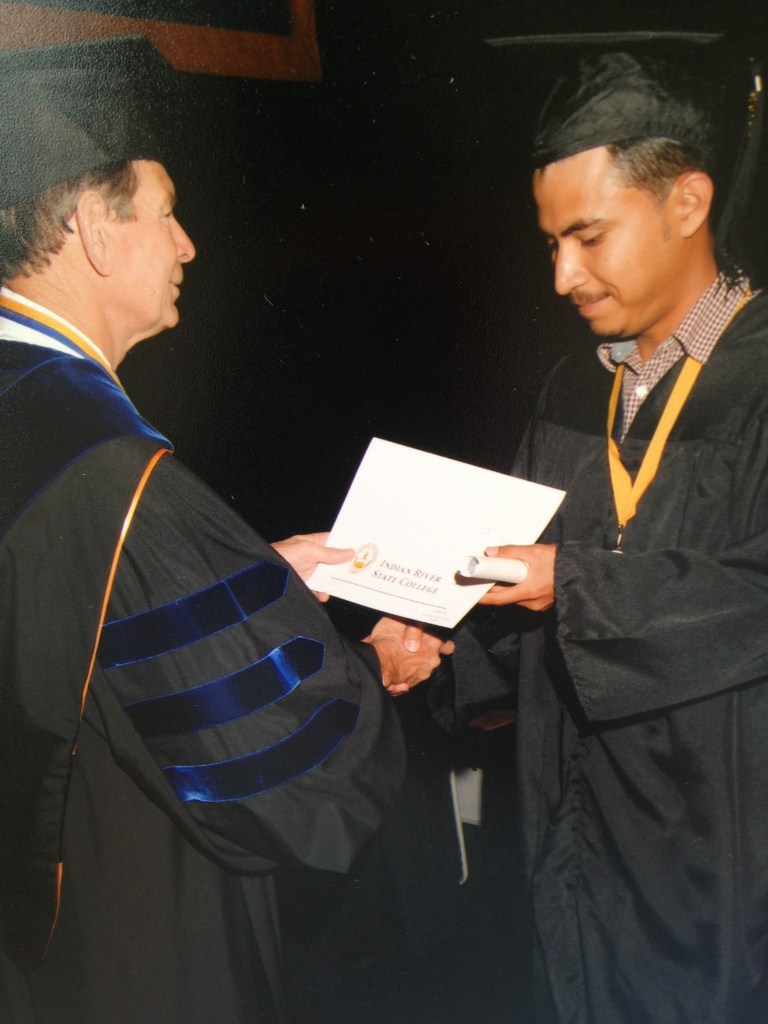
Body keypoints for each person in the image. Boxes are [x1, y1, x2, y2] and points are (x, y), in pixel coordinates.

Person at [0, 37, 450, 1024]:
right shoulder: (108, 470)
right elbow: (279, 764)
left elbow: (91, 620)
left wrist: (257, 577)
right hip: (131, 937)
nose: (189, 245)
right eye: (166, 213)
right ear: (95, 231)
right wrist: (370, 666)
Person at [426, 49, 768, 1023]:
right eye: (550, 243)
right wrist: (433, 639)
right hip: (577, 852)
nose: (561, 275)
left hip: (725, 872)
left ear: (687, 202)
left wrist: (570, 583)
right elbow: (527, 608)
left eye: (587, 236)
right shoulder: (574, 391)